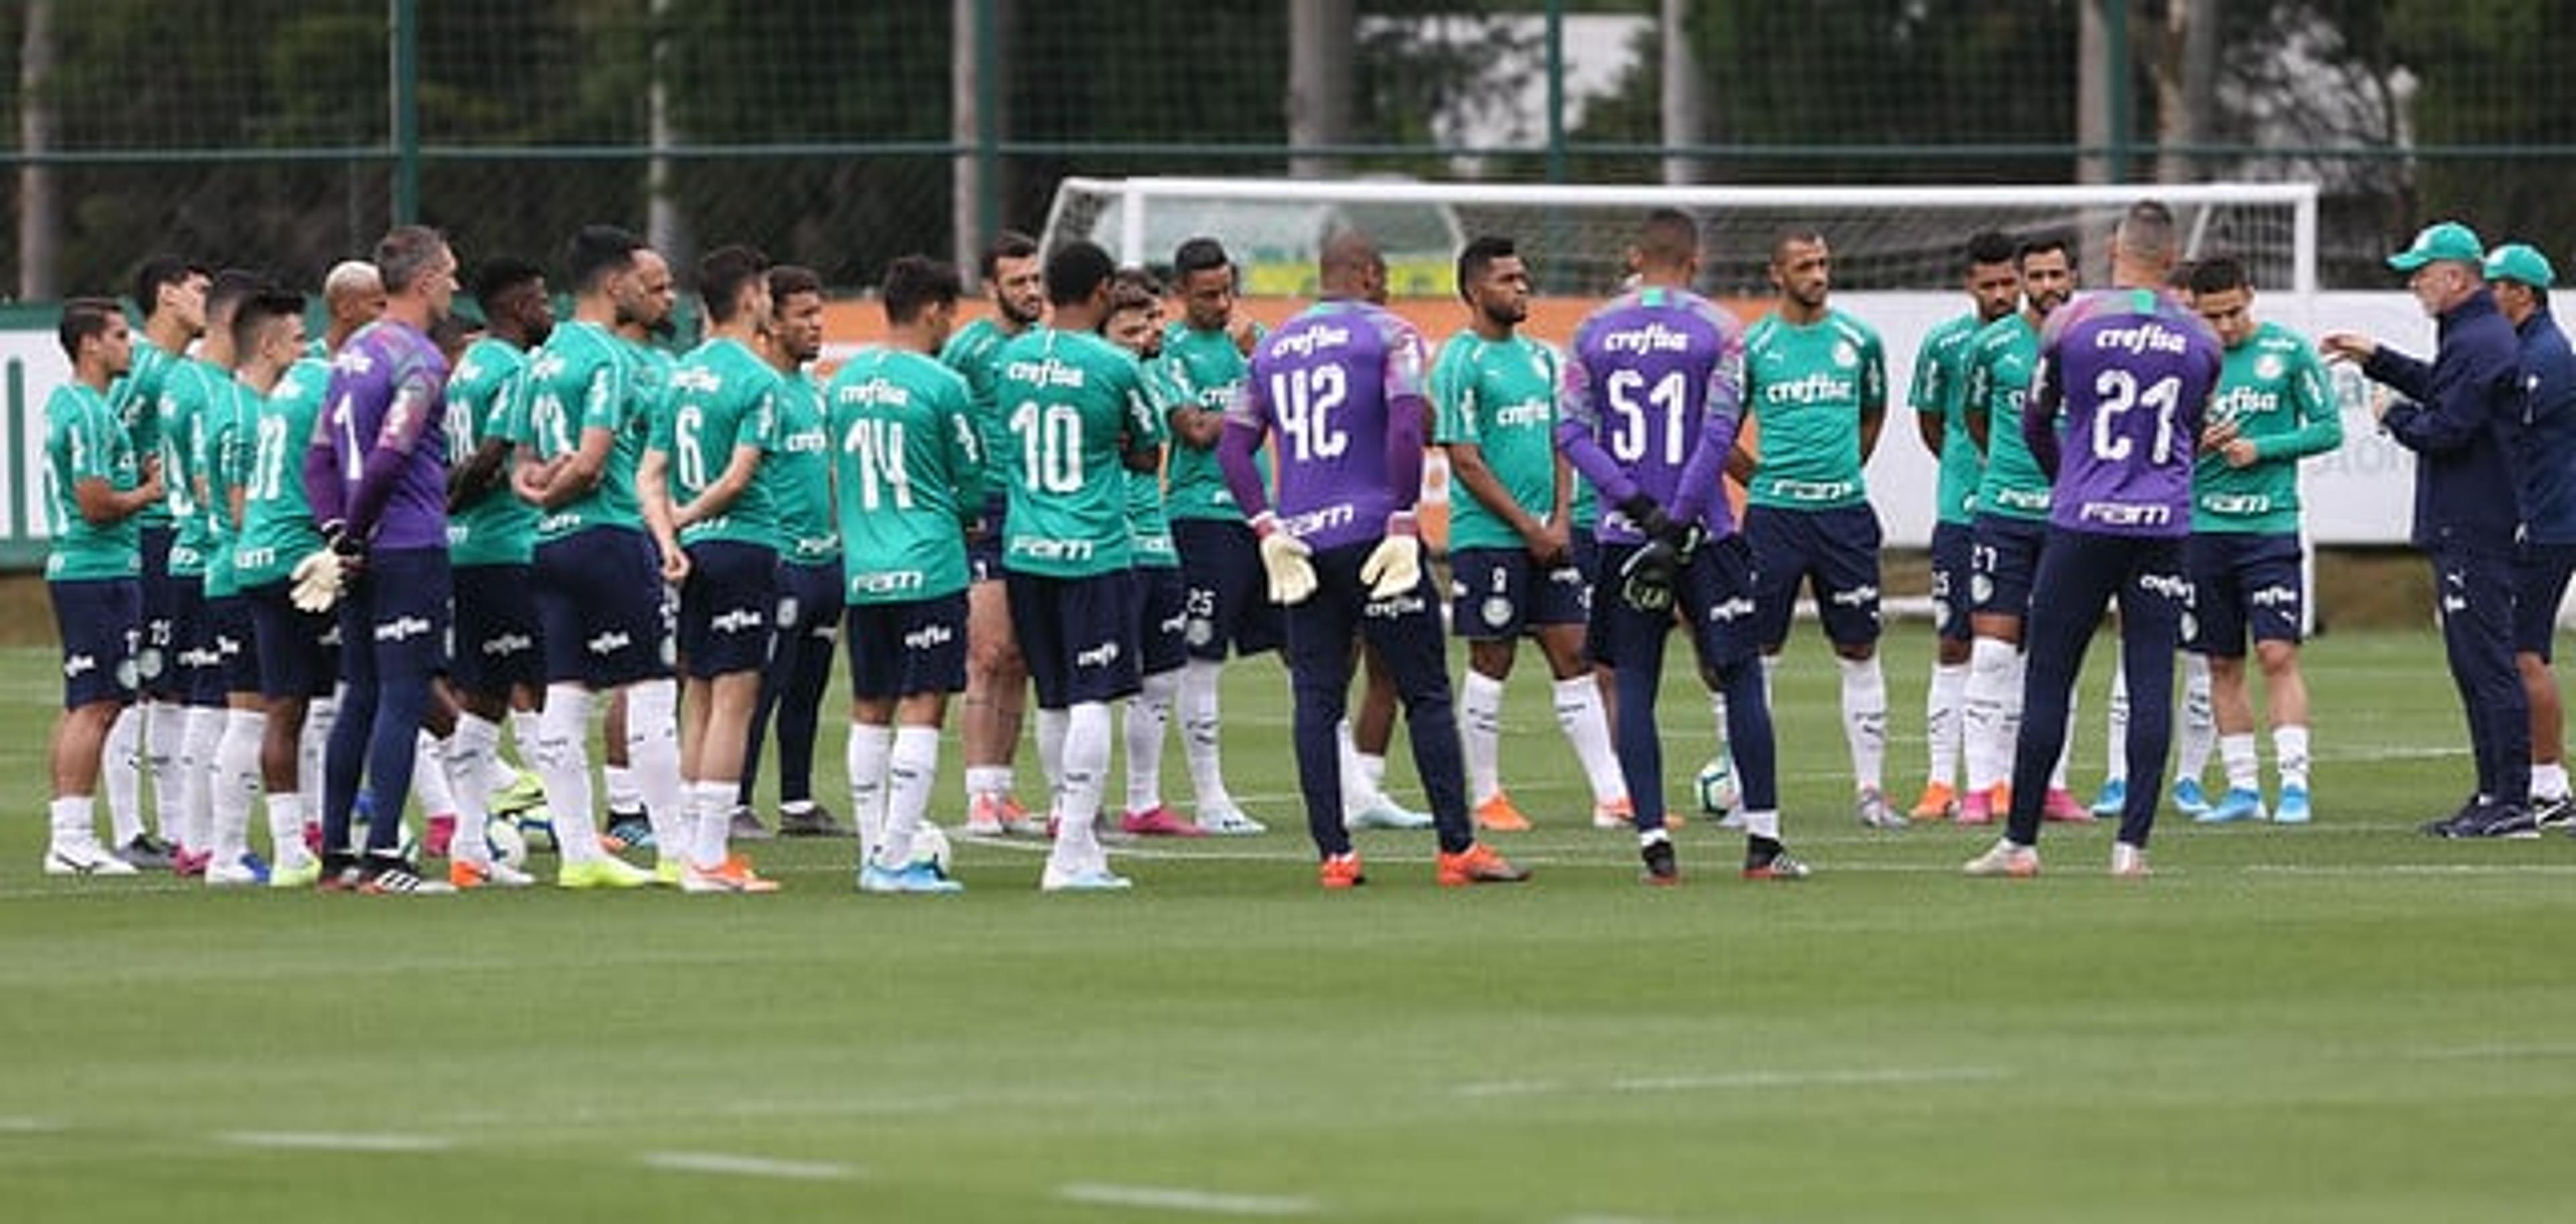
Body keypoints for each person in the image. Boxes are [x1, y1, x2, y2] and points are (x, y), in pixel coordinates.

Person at [1220, 231, 1529, 890]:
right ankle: (1457, 850)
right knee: (1424, 690)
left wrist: (1265, 527)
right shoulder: (1390, 334)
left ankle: (1335, 856)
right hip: (1373, 535)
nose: (1387, 288)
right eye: (1384, 276)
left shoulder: (1272, 348)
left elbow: (1231, 450)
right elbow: (1405, 425)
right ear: (1366, 273)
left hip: (1301, 543)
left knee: (1315, 696)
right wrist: (1401, 518)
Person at [1966, 200, 2220, 879]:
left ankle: (2020, 843)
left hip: (2081, 522)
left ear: (2115, 250)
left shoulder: (2071, 322)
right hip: (2162, 527)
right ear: (2172, 261)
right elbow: (2190, 429)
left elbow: (2034, 420)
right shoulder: (2202, 338)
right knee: (2148, 680)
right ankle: (2130, 849)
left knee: (2048, 675)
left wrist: (2067, 481)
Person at [1555, 209, 1803, 884]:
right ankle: (1763, 844)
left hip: (1620, 534)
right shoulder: (1721, 329)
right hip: (1707, 533)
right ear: (1695, 261)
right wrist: (1681, 519)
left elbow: (1572, 435)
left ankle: (1656, 849)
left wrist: (1637, 508)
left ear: (1636, 256)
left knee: (1633, 683)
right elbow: (1718, 434)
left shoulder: (1592, 331)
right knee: (1741, 674)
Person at [2324, 223, 2532, 837]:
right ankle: (2494, 793)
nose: (2414, 281)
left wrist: (2394, 415)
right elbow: (2447, 392)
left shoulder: (2481, 339)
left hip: (2477, 524)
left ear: (2456, 276)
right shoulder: (2470, 334)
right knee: (2473, 663)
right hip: (2464, 522)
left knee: (2487, 662)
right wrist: (2379, 360)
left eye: (2422, 270)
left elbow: (2448, 428)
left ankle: (2511, 800)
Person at [1430, 235, 1628, 831]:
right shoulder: (1458, 362)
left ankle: (1613, 796)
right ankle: (1487, 797)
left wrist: (1562, 519)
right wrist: (1526, 526)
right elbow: (1464, 459)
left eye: (1524, 277)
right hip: (1487, 537)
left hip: (1549, 534)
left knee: (1575, 651)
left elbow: (1563, 443)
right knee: (1493, 657)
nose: (1522, 288)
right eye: (1508, 279)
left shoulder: (1544, 359)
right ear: (1473, 290)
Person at [993, 240, 1164, 891]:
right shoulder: (1114, 366)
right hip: (1093, 548)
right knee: (1094, 697)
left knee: (1055, 696)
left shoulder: (1012, 359)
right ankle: (1067, 856)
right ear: (1099, 294)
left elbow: (1005, 433)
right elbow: (1149, 450)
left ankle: (1078, 838)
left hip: (1026, 548)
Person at [512, 224, 678, 889]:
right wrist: (561, 489)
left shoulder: (541, 359)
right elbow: (592, 460)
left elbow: (521, 461)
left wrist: (537, 493)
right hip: (608, 535)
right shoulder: (606, 358)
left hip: (548, 547)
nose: (650, 292)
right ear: (615, 286)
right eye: (642, 281)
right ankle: (676, 848)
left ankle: (581, 854)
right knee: (652, 688)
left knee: (566, 692)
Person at [301, 225, 464, 894]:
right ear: (424, 281)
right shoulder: (419, 360)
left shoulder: (354, 355)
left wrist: (339, 530)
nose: (457, 283)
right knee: (400, 699)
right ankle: (384, 860)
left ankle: (337, 855)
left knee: (358, 696)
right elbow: (394, 453)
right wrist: (359, 533)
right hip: (406, 548)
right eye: (450, 272)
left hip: (364, 550)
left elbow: (318, 458)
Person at [1729, 230, 1898, 829]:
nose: (1818, 275)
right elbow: (1720, 430)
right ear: (1777, 274)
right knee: (1758, 649)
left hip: (1844, 515)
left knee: (1858, 645)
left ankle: (1872, 792)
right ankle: (1750, 795)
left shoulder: (1860, 340)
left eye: (1824, 263)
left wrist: (1845, 470)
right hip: (1775, 518)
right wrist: (1763, 483)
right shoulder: (1753, 346)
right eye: (1805, 266)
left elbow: (1874, 411)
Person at [2170, 256, 2341, 826]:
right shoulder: (2187, 361)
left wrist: (2261, 450)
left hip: (2268, 528)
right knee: (2221, 661)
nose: (2225, 327)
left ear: (2251, 295)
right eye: (2213, 315)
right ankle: (2243, 787)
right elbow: (2160, 443)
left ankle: (2295, 784)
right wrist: (2199, 445)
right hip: (2204, 530)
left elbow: (2329, 428)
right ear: (2194, 307)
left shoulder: (2289, 352)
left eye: (2235, 312)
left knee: (2277, 653)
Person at [830, 256, 981, 892]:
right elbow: (971, 484)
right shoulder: (943, 385)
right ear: (932, 309)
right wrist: (963, 515)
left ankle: (873, 850)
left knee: (870, 708)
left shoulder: (841, 382)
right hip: (927, 565)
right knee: (923, 707)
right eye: (950, 312)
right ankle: (894, 860)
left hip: (863, 569)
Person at [639, 244, 786, 893]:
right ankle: (708, 854)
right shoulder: (759, 380)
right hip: (742, 547)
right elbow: (738, 476)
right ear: (752, 299)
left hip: (693, 554)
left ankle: (694, 851)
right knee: (735, 700)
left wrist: (669, 537)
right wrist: (693, 520)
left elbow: (649, 474)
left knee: (698, 695)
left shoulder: (678, 374)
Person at [1957, 235, 2091, 825]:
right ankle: (1981, 789)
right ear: (2021, 280)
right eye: (2034, 276)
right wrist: (2012, 474)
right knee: (1990, 653)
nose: (2045, 286)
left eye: (2055, 274)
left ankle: (2053, 786)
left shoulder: (2091, 342)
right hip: (2003, 514)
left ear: (2073, 275)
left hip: (2068, 518)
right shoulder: (1989, 347)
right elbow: (1974, 420)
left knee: (2057, 654)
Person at [438, 256, 555, 888]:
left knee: (482, 700)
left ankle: (468, 846)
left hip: (467, 550)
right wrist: (457, 498)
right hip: (506, 546)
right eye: (540, 300)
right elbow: (490, 457)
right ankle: (575, 833)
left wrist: (445, 507)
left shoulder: (470, 364)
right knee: (543, 689)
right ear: (515, 308)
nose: (549, 311)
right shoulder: (512, 367)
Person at [1158, 238, 1275, 835]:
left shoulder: (1254, 343)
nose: (1222, 303)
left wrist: (1264, 358)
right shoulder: (1170, 350)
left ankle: (1355, 787)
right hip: (1201, 515)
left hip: (1262, 516)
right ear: (1182, 294)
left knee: (1311, 649)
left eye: (1228, 290)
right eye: (1207, 295)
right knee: (1200, 658)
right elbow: (1199, 431)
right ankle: (1210, 798)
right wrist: (1263, 389)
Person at [40, 297, 158, 875]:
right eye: (117, 335)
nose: (127, 345)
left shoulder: (76, 404)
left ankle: (68, 830)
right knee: (99, 704)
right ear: (90, 344)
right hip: (98, 569)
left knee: (84, 704)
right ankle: (73, 838)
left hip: (88, 569)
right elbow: (94, 505)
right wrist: (149, 493)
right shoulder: (86, 411)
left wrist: (130, 479)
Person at [736, 264, 853, 839]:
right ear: (772, 321)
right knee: (762, 685)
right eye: (803, 315)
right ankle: (734, 800)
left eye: (819, 313)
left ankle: (798, 801)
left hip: (826, 563)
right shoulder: (761, 389)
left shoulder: (820, 393)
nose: (816, 325)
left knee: (809, 687)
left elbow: (830, 476)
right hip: (780, 562)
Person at [1906, 231, 2021, 820]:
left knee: (2013, 647)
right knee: (1955, 640)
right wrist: (1965, 473)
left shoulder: (2040, 343)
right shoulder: (1944, 344)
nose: (2002, 294)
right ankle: (1938, 782)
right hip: (1961, 512)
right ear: (1969, 284)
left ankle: (2000, 780)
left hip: (2024, 513)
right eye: (1990, 284)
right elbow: (1933, 423)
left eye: (2010, 283)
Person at [159, 270, 265, 876]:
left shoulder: (188, 380)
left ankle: (195, 836)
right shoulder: (208, 391)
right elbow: (211, 484)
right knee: (216, 703)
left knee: (214, 700)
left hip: (192, 550)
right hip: (209, 552)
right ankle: (199, 839)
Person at [943, 231, 1046, 836]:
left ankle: (1003, 789)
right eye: (1018, 282)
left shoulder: (1046, 347)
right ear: (991, 289)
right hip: (987, 509)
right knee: (988, 652)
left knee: (1023, 656)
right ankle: (978, 791)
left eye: (1036, 280)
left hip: (1038, 508)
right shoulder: (969, 349)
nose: (1031, 292)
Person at [231, 287, 335, 888]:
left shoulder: (273, 400)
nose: (309, 345)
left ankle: (295, 849)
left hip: (258, 558)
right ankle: (486, 801)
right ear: (272, 345)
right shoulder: (319, 382)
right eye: (298, 337)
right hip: (300, 560)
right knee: (393, 681)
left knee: (287, 708)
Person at [105, 255, 207, 870]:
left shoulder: (182, 371)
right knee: (132, 683)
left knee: (169, 683)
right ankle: (126, 828)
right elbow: (104, 435)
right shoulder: (141, 370)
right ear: (167, 296)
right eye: (199, 290)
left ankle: (172, 829)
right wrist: (137, 487)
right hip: (143, 539)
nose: (207, 299)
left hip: (175, 538)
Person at [1099, 268, 1203, 837]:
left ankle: (1144, 802)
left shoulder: (1158, 373)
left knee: (1162, 674)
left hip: (1155, 536)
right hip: (1107, 539)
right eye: (1132, 328)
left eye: (1150, 324)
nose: (1146, 335)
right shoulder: (1097, 377)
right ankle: (1074, 803)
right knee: (1088, 682)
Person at [2485, 243, 2576, 827]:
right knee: (2520, 651)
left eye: (2495, 285)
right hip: (2542, 518)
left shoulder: (2548, 353)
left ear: (2523, 292)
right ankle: (2539, 781)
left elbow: (2501, 419)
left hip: (2548, 523)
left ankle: (2551, 785)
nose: (2487, 296)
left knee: (2524, 652)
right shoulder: (2525, 346)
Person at [312, 259, 386, 358]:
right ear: (345, 309)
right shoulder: (303, 362)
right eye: (380, 305)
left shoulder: (390, 361)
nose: (389, 314)